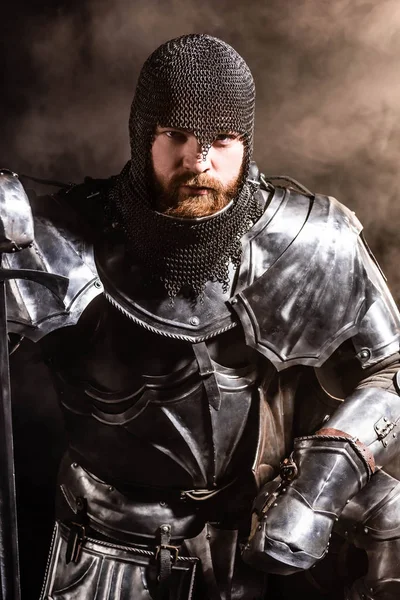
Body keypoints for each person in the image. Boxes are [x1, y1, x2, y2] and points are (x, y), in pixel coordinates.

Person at [3, 33, 400, 600]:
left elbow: (392, 369)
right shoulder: (49, 236)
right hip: (108, 555)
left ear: (246, 141)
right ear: (145, 138)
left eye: (221, 139)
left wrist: (316, 486)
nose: (199, 161)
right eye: (178, 136)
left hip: (255, 550)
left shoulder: (312, 240)